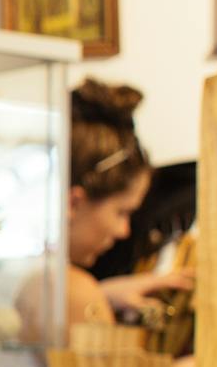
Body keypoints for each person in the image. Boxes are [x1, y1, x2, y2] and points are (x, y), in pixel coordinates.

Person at [63, 80, 194, 330]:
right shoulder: (75, 291)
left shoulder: (36, 282)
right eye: (121, 212)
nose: (123, 230)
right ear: (75, 202)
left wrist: (102, 294)